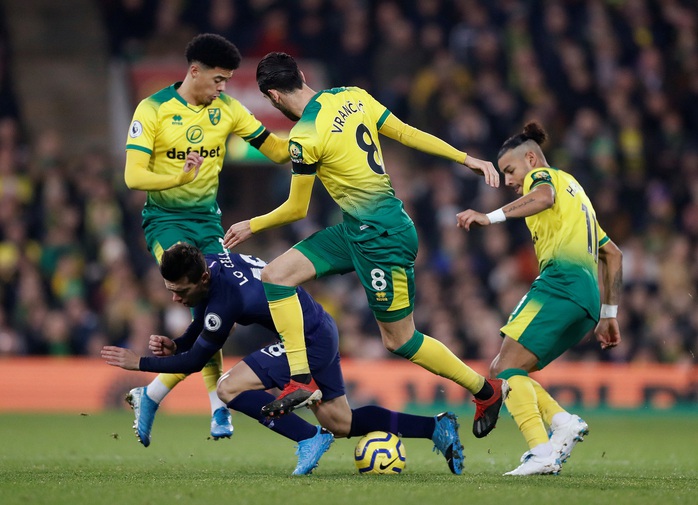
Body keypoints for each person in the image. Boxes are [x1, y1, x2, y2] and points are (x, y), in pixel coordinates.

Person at [223, 52, 508, 438]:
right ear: (302, 75)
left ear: (273, 95)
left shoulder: (304, 137)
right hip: (355, 229)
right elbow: (406, 132)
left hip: (381, 238)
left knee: (400, 340)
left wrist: (250, 224)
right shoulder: (352, 96)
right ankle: (302, 378)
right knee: (276, 275)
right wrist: (465, 158)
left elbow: (297, 208)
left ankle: (485, 391)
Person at [101, 243, 466, 476]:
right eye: (171, 292)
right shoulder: (209, 266)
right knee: (341, 421)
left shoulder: (227, 299)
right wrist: (178, 343)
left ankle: (308, 438)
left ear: (202, 277)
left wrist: (141, 364)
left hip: (305, 339)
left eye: (181, 291)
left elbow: (197, 361)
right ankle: (436, 427)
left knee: (229, 388)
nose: (177, 299)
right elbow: (202, 320)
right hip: (317, 327)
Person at [123, 33, 291, 446]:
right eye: (218, 79)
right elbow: (132, 176)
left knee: (217, 307)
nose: (222, 88)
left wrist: (315, 137)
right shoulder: (154, 109)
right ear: (193, 71)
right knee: (207, 299)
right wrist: (176, 177)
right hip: (166, 222)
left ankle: (159, 396)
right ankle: (215, 406)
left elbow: (276, 150)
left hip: (208, 225)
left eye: (227, 81)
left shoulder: (229, 111)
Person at [456, 122, 623, 476]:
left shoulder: (542, 179)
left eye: (511, 170)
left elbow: (542, 197)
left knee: (502, 370)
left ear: (531, 158)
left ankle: (542, 451)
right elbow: (614, 254)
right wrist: (609, 314)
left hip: (559, 284)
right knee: (516, 369)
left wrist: (490, 217)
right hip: (587, 300)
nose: (510, 181)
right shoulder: (577, 192)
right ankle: (561, 423)